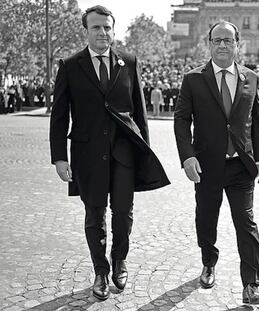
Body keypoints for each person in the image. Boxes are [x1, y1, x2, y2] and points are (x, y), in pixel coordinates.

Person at [49, 5, 170, 301]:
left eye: (107, 27)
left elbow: (140, 113)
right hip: (87, 154)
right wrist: (59, 157)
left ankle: (119, 260)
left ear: (113, 30)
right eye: (96, 27)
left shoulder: (128, 62)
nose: (103, 32)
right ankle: (100, 271)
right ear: (85, 31)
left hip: (124, 153)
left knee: (124, 212)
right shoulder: (70, 65)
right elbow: (59, 115)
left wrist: (145, 151)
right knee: (94, 213)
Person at [174, 21, 259, 305]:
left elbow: (257, 121)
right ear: (209, 44)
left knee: (246, 222)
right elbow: (181, 119)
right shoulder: (193, 79)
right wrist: (187, 156)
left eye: (228, 40)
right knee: (206, 218)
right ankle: (208, 262)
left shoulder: (251, 77)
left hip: (241, 165)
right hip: (206, 165)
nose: (223, 45)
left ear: (238, 44)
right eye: (217, 40)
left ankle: (251, 284)